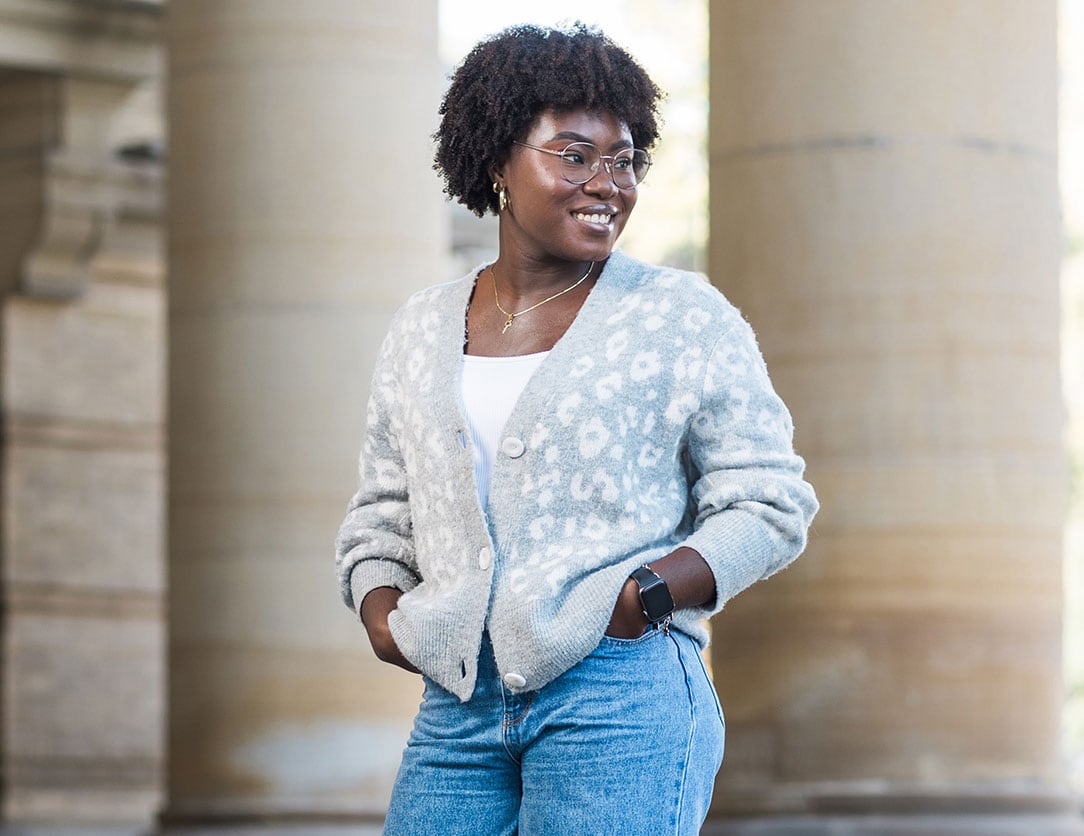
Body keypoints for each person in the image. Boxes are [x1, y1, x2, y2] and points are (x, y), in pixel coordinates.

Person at [336, 22, 818, 836]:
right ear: (496, 162)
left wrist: (644, 596)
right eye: (574, 155)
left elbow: (769, 503)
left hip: (619, 695)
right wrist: (383, 610)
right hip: (457, 708)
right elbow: (383, 510)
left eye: (623, 160)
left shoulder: (680, 317)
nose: (608, 183)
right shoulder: (422, 328)